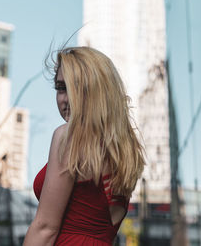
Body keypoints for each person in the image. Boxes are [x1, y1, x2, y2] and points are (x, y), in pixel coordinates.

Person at [23, 46, 145, 246]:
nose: (66, 99)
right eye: (61, 88)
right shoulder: (124, 149)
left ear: (100, 91)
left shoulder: (68, 137)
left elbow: (45, 228)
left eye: (78, 87)